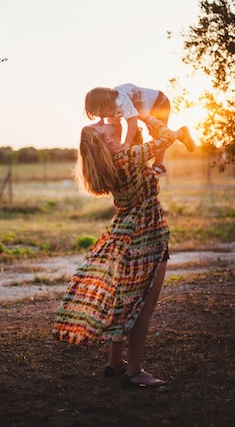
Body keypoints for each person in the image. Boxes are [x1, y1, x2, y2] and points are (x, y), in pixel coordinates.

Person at [52, 109, 192, 388]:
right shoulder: (127, 157)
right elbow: (164, 138)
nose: (106, 123)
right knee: (144, 305)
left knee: (124, 299)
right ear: (105, 143)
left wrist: (133, 125)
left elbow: (142, 150)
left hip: (124, 235)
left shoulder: (120, 158)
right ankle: (135, 371)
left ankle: (116, 364)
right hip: (146, 237)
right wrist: (142, 115)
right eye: (102, 128)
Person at [84, 83, 195, 176]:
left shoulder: (121, 100)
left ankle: (159, 164)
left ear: (105, 104)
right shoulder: (110, 107)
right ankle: (182, 134)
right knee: (142, 133)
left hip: (159, 102)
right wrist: (118, 146)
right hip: (142, 110)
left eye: (102, 114)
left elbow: (132, 121)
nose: (102, 119)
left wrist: (127, 143)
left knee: (156, 133)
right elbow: (117, 127)